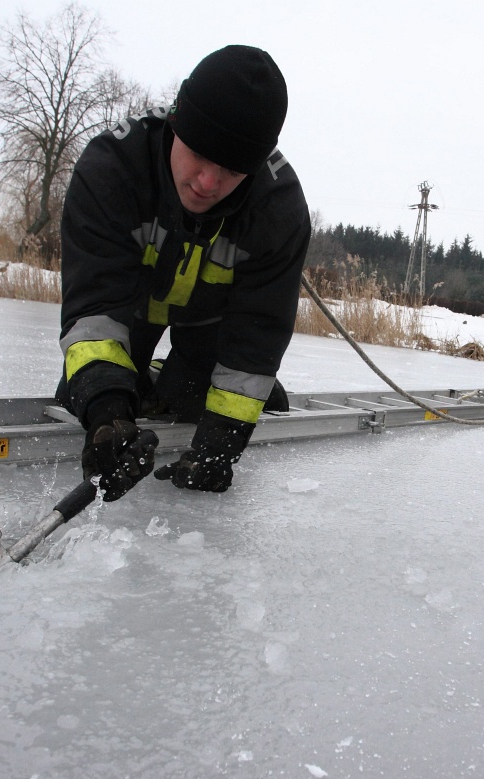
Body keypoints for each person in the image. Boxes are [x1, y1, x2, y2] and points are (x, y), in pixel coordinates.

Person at [55, 45, 310, 502]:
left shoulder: (279, 210)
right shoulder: (112, 168)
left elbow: (256, 334)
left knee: (195, 402)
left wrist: (221, 445)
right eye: (199, 155)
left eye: (231, 171)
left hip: (209, 323)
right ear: (175, 125)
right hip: (128, 308)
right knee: (88, 391)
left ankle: (169, 378)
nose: (207, 183)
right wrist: (108, 415)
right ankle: (142, 377)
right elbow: (93, 309)